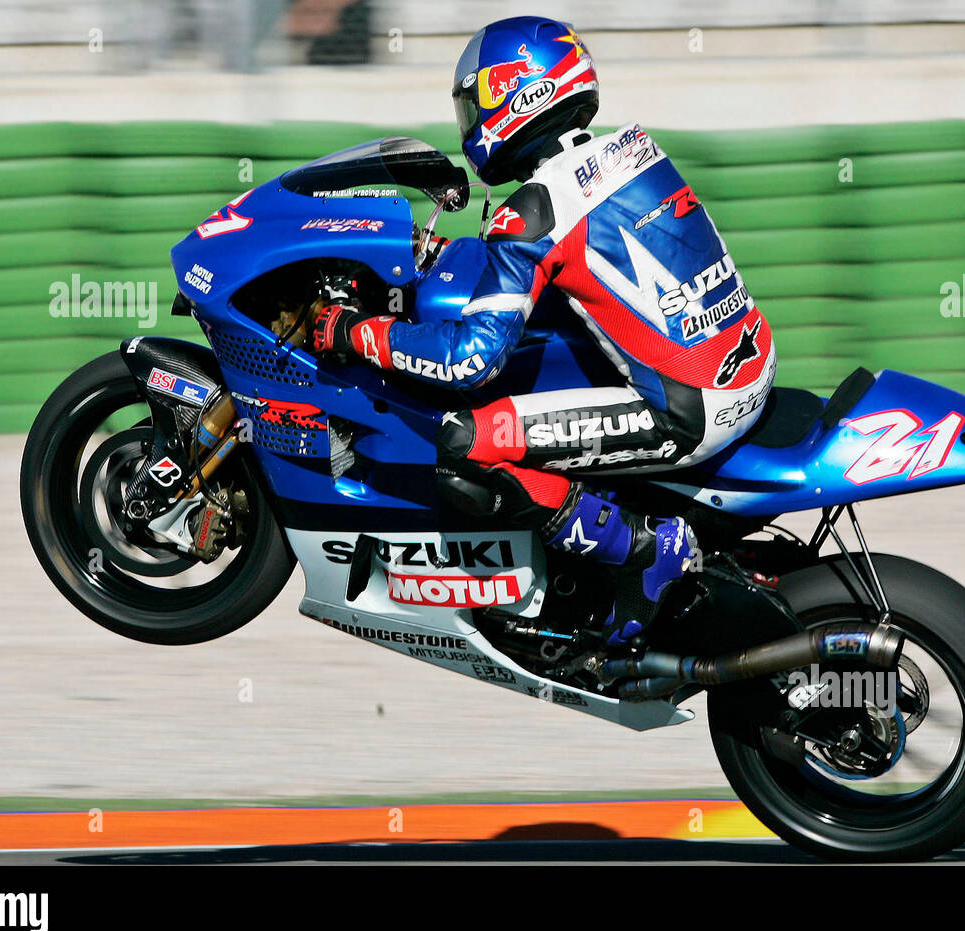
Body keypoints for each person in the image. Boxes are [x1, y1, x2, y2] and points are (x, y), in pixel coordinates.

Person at [311, 15, 776, 647]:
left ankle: (643, 549)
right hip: (747, 364)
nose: (469, 121)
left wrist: (356, 333)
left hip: (688, 409)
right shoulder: (633, 152)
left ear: (515, 91)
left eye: (473, 102)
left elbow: (469, 360)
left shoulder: (534, 209)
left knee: (464, 441)